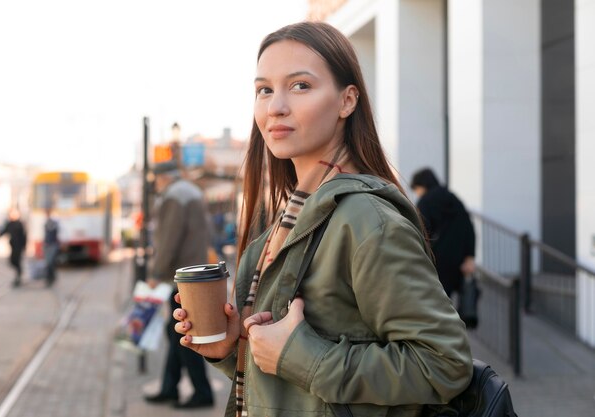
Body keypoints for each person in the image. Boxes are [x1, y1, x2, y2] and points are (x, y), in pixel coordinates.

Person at [173, 21, 473, 417]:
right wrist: (232, 349)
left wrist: (303, 357)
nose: (275, 106)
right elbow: (289, 387)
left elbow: (444, 365)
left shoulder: (367, 220)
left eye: (300, 86)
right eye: (264, 89)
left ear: (347, 101)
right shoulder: (280, 227)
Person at [144, 160, 214, 409]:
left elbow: (168, 240)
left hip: (180, 275)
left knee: (184, 334)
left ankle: (203, 393)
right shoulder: (192, 191)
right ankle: (169, 387)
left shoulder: (174, 197)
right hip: (193, 271)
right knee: (175, 332)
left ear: (162, 178)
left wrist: (156, 272)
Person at [410, 168, 476, 298]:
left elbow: (422, 231)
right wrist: (470, 256)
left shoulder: (425, 202)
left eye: (416, 189)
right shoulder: (452, 198)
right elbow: (468, 227)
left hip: (437, 260)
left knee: (438, 299)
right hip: (458, 259)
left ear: (422, 185)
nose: (417, 194)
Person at [0, 208, 27, 287]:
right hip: (13, 245)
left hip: (19, 246)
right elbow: (4, 231)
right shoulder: (10, 223)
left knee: (17, 260)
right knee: (12, 261)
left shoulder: (20, 224)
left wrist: (24, 246)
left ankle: (18, 276)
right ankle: (18, 274)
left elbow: (24, 236)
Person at [43, 209, 60, 287]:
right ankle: (49, 278)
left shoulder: (53, 223)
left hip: (52, 245)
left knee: (50, 262)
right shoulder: (47, 222)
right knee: (48, 262)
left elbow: (53, 232)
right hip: (47, 245)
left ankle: (51, 278)